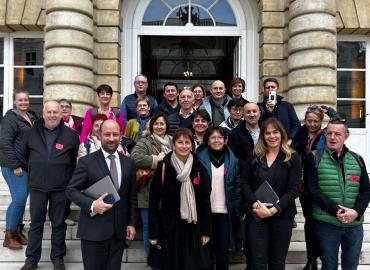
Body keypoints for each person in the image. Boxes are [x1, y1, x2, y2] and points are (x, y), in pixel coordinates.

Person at [66, 120, 137, 270]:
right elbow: (71, 190)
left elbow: (131, 196)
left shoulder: (129, 163)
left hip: (118, 233)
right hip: (93, 232)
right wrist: (92, 205)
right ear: (99, 135)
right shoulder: (86, 162)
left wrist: (131, 223)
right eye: (107, 134)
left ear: (121, 136)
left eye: (115, 134)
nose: (111, 138)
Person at [20, 100, 79, 270]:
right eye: (49, 112)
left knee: (59, 224)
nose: (52, 115)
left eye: (56, 112)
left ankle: (58, 259)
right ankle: (31, 260)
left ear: (61, 114)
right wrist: (37, 170)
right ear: (43, 113)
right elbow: (24, 158)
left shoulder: (71, 135)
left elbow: (73, 161)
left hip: (60, 188)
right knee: (36, 225)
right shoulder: (30, 133)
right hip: (37, 187)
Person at [305, 118, 370, 270]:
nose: (333, 137)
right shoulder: (314, 157)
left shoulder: (357, 159)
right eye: (329, 133)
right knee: (329, 266)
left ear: (346, 136)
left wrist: (356, 211)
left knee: (351, 266)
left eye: (337, 134)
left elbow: (366, 190)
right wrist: (336, 210)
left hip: (354, 225)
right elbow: (312, 190)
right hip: (327, 223)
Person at [241, 118, 302, 270]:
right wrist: (256, 204)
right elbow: (244, 183)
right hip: (257, 216)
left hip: (282, 217)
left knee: (277, 263)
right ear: (262, 136)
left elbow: (293, 189)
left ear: (282, 134)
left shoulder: (292, 157)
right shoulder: (255, 155)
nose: (272, 136)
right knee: (257, 263)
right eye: (267, 133)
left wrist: (274, 209)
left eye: (275, 132)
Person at [148, 128, 212, 270]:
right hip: (168, 228)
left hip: (192, 228)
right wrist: (154, 233)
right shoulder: (164, 167)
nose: (184, 146)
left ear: (192, 144)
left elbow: (205, 202)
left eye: (187, 142)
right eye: (180, 142)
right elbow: (153, 202)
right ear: (173, 145)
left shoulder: (199, 168)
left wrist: (206, 231)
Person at [292, 104, 339, 270]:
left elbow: (339, 123)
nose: (312, 124)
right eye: (309, 120)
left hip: (321, 184)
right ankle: (311, 259)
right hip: (304, 186)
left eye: (316, 121)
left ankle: (322, 257)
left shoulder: (326, 134)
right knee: (309, 222)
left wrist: (332, 113)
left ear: (321, 121)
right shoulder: (300, 132)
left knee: (321, 222)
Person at [197, 127, 240, 270]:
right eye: (213, 138)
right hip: (204, 213)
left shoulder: (232, 160)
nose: (217, 140)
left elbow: (237, 186)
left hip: (224, 213)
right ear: (207, 141)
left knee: (222, 254)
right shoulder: (199, 158)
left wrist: (237, 208)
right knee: (205, 254)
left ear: (225, 140)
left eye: (220, 137)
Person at [130, 111, 172, 258]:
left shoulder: (174, 141)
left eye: (162, 123)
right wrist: (156, 159)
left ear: (167, 126)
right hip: (147, 193)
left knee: (167, 228)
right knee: (149, 228)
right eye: (156, 123)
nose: (159, 126)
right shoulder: (145, 141)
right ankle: (152, 260)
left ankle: (165, 259)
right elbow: (135, 158)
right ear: (152, 125)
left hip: (169, 194)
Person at [0, 90, 37, 250]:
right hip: (13, 166)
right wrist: (14, 165)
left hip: (26, 165)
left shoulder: (31, 117)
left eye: (26, 100)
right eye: (20, 100)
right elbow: (5, 143)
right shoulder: (10, 118)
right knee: (19, 198)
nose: (23, 102)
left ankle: (19, 231)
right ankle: (9, 235)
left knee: (22, 199)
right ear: (15, 102)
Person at [258, 78, 300, 144]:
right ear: (264, 90)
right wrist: (268, 112)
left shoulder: (287, 106)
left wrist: (290, 139)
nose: (270, 89)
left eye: (273, 87)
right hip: (268, 143)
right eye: (267, 87)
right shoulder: (259, 106)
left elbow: (296, 125)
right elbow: (258, 126)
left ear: (277, 88)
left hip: (286, 143)